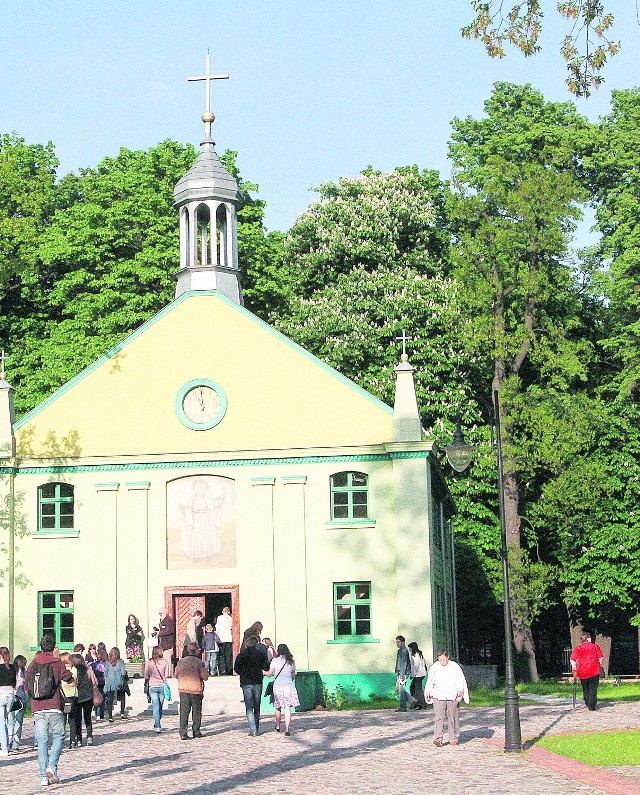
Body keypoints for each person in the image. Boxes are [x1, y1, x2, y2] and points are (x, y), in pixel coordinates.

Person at [25, 634, 74, 787]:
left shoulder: (33, 664)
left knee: (42, 742)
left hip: (37, 707)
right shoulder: (56, 662)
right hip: (54, 705)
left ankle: (43, 778)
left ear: (40, 647)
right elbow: (69, 679)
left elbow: (27, 684)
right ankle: (51, 766)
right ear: (53, 648)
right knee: (59, 736)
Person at [424, 649, 469, 747]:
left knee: (452, 717)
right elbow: (430, 680)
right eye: (440, 660)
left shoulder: (454, 667)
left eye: (444, 659)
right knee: (439, 717)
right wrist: (428, 691)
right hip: (438, 695)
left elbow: (460, 679)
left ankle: (453, 738)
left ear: (447, 657)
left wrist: (460, 690)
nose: (442, 662)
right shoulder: (435, 667)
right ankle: (438, 737)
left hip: (452, 695)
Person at [233, 635, 269, 737]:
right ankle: (256, 727)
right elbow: (266, 666)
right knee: (257, 705)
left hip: (246, 682)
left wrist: (243, 673)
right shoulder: (261, 654)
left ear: (246, 644)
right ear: (256, 644)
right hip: (257, 681)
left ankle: (252, 729)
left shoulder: (242, 655)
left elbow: (236, 668)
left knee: (249, 706)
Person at [175, 642, 209, 740]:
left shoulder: (181, 662)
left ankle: (183, 732)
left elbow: (176, 674)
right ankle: (196, 731)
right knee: (196, 711)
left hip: (183, 688)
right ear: (197, 651)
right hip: (196, 689)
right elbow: (205, 676)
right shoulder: (199, 662)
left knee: (184, 711)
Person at [265, 643, 299, 736]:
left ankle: (278, 726)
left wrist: (262, 671)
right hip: (288, 685)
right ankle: (287, 729)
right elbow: (293, 676)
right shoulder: (291, 661)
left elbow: (269, 674)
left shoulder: (275, 660)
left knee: (278, 706)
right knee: (287, 707)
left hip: (278, 686)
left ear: (278, 651)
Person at [570, 630, 605, 711]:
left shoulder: (578, 648)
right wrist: (599, 664)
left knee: (585, 688)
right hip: (594, 670)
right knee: (593, 688)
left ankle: (587, 700)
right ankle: (591, 705)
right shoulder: (595, 646)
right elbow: (601, 658)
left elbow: (572, 659)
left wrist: (574, 668)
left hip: (582, 671)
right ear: (588, 638)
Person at [70, 654, 97, 746]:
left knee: (77, 719)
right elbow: (94, 682)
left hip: (77, 696)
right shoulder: (88, 669)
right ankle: (89, 737)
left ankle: (79, 738)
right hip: (88, 696)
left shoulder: (73, 671)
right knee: (87, 718)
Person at [144, 646, 169, 733]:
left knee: (156, 707)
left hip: (153, 686)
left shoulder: (149, 662)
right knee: (160, 706)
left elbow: (146, 675)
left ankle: (157, 725)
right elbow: (166, 675)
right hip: (161, 686)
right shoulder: (165, 662)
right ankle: (157, 723)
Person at [59, 652, 78, 748]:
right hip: (72, 697)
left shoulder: (62, 671)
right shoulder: (74, 670)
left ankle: (61, 740)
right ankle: (73, 740)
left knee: (62, 720)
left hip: (63, 697)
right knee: (72, 720)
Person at [8, 654, 27, 751]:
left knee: (11, 721)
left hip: (11, 697)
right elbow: (24, 685)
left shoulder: (11, 670)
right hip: (20, 697)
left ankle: (8, 742)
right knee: (18, 722)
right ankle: (15, 744)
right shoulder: (23, 672)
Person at [104, 647, 129, 721]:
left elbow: (105, 673)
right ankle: (122, 713)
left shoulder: (108, 662)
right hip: (119, 682)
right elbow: (123, 673)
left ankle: (110, 716)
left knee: (110, 699)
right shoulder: (121, 662)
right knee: (122, 697)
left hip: (110, 682)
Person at [394, 635, 418, 712]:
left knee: (401, 690)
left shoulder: (403, 651)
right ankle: (412, 701)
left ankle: (403, 707)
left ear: (403, 642)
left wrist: (402, 675)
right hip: (401, 672)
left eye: (398, 642)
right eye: (396, 642)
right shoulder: (401, 650)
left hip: (403, 673)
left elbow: (403, 663)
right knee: (399, 689)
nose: (397, 644)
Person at [0, 646, 16, 756]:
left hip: (1, 694)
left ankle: (4, 748)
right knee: (9, 719)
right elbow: (14, 683)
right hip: (11, 694)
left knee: (1, 723)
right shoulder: (12, 667)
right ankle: (11, 741)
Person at [154, 608, 176, 676]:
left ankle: (169, 674)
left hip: (168, 644)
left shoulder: (169, 620)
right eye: (159, 613)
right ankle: (166, 673)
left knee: (167, 659)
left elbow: (170, 630)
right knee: (165, 659)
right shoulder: (162, 620)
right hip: (163, 644)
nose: (160, 614)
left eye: (161, 613)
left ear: (165, 612)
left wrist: (160, 633)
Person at [408, 641, 428, 709]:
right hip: (420, 674)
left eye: (410, 648)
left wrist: (412, 675)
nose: (409, 650)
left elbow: (415, 666)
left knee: (417, 690)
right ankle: (417, 702)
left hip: (418, 674)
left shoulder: (416, 655)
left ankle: (422, 704)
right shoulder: (419, 654)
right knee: (413, 688)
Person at [217, 606, 233, 674]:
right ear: (229, 612)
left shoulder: (220, 618)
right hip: (229, 639)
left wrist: (216, 635)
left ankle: (222, 670)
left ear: (222, 612)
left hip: (221, 639)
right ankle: (229, 670)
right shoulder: (231, 618)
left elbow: (218, 627)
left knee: (221, 655)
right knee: (228, 655)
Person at [92, 648, 107, 720]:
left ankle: (96, 714)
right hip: (104, 682)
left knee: (96, 698)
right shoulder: (107, 664)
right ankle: (102, 715)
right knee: (103, 699)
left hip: (97, 682)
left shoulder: (94, 664)